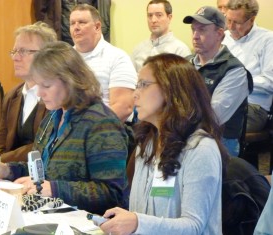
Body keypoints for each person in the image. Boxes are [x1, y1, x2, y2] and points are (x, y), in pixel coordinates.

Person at [0, 41, 129, 215]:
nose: (40, 94)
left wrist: (54, 189)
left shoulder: (101, 124)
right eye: (38, 85)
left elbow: (112, 194)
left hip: (89, 223)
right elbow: (43, 171)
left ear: (71, 81)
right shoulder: (53, 117)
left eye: (46, 86)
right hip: (53, 214)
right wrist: (7, 169)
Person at [99, 53, 229, 234]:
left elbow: (194, 226)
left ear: (170, 90)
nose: (135, 94)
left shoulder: (200, 148)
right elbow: (139, 212)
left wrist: (137, 223)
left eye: (143, 85)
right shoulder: (147, 143)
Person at [183, 6, 252, 157]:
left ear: (219, 34)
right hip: (185, 133)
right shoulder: (185, 64)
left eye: (202, 30)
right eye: (193, 29)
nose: (195, 35)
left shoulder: (234, 71)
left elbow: (213, 117)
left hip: (219, 140)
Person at [0, 22, 57, 163]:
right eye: (14, 52)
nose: (15, 58)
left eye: (24, 51)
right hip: (11, 177)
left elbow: (44, 146)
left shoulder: (57, 96)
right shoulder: (12, 95)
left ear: (47, 55)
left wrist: (1, 161)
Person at [69, 4, 137, 122]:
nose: (76, 27)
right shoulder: (65, 59)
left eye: (82, 22)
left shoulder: (117, 58)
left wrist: (88, 129)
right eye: (72, 23)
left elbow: (123, 107)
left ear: (97, 26)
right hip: (67, 129)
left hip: (105, 130)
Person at [223, 0, 273, 133]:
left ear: (252, 20)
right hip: (221, 100)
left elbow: (270, 82)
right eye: (228, 20)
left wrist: (235, 80)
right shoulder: (223, 37)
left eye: (237, 22)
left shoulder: (268, 40)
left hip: (252, 106)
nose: (231, 27)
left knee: (217, 128)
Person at [131, 0, 191, 73]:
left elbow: (184, 82)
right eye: (150, 15)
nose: (153, 20)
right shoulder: (138, 49)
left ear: (169, 17)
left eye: (159, 15)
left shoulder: (180, 50)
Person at [33, 0, 111, 45]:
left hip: (89, 36)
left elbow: (102, 7)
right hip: (61, 36)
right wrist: (49, 28)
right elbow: (40, 9)